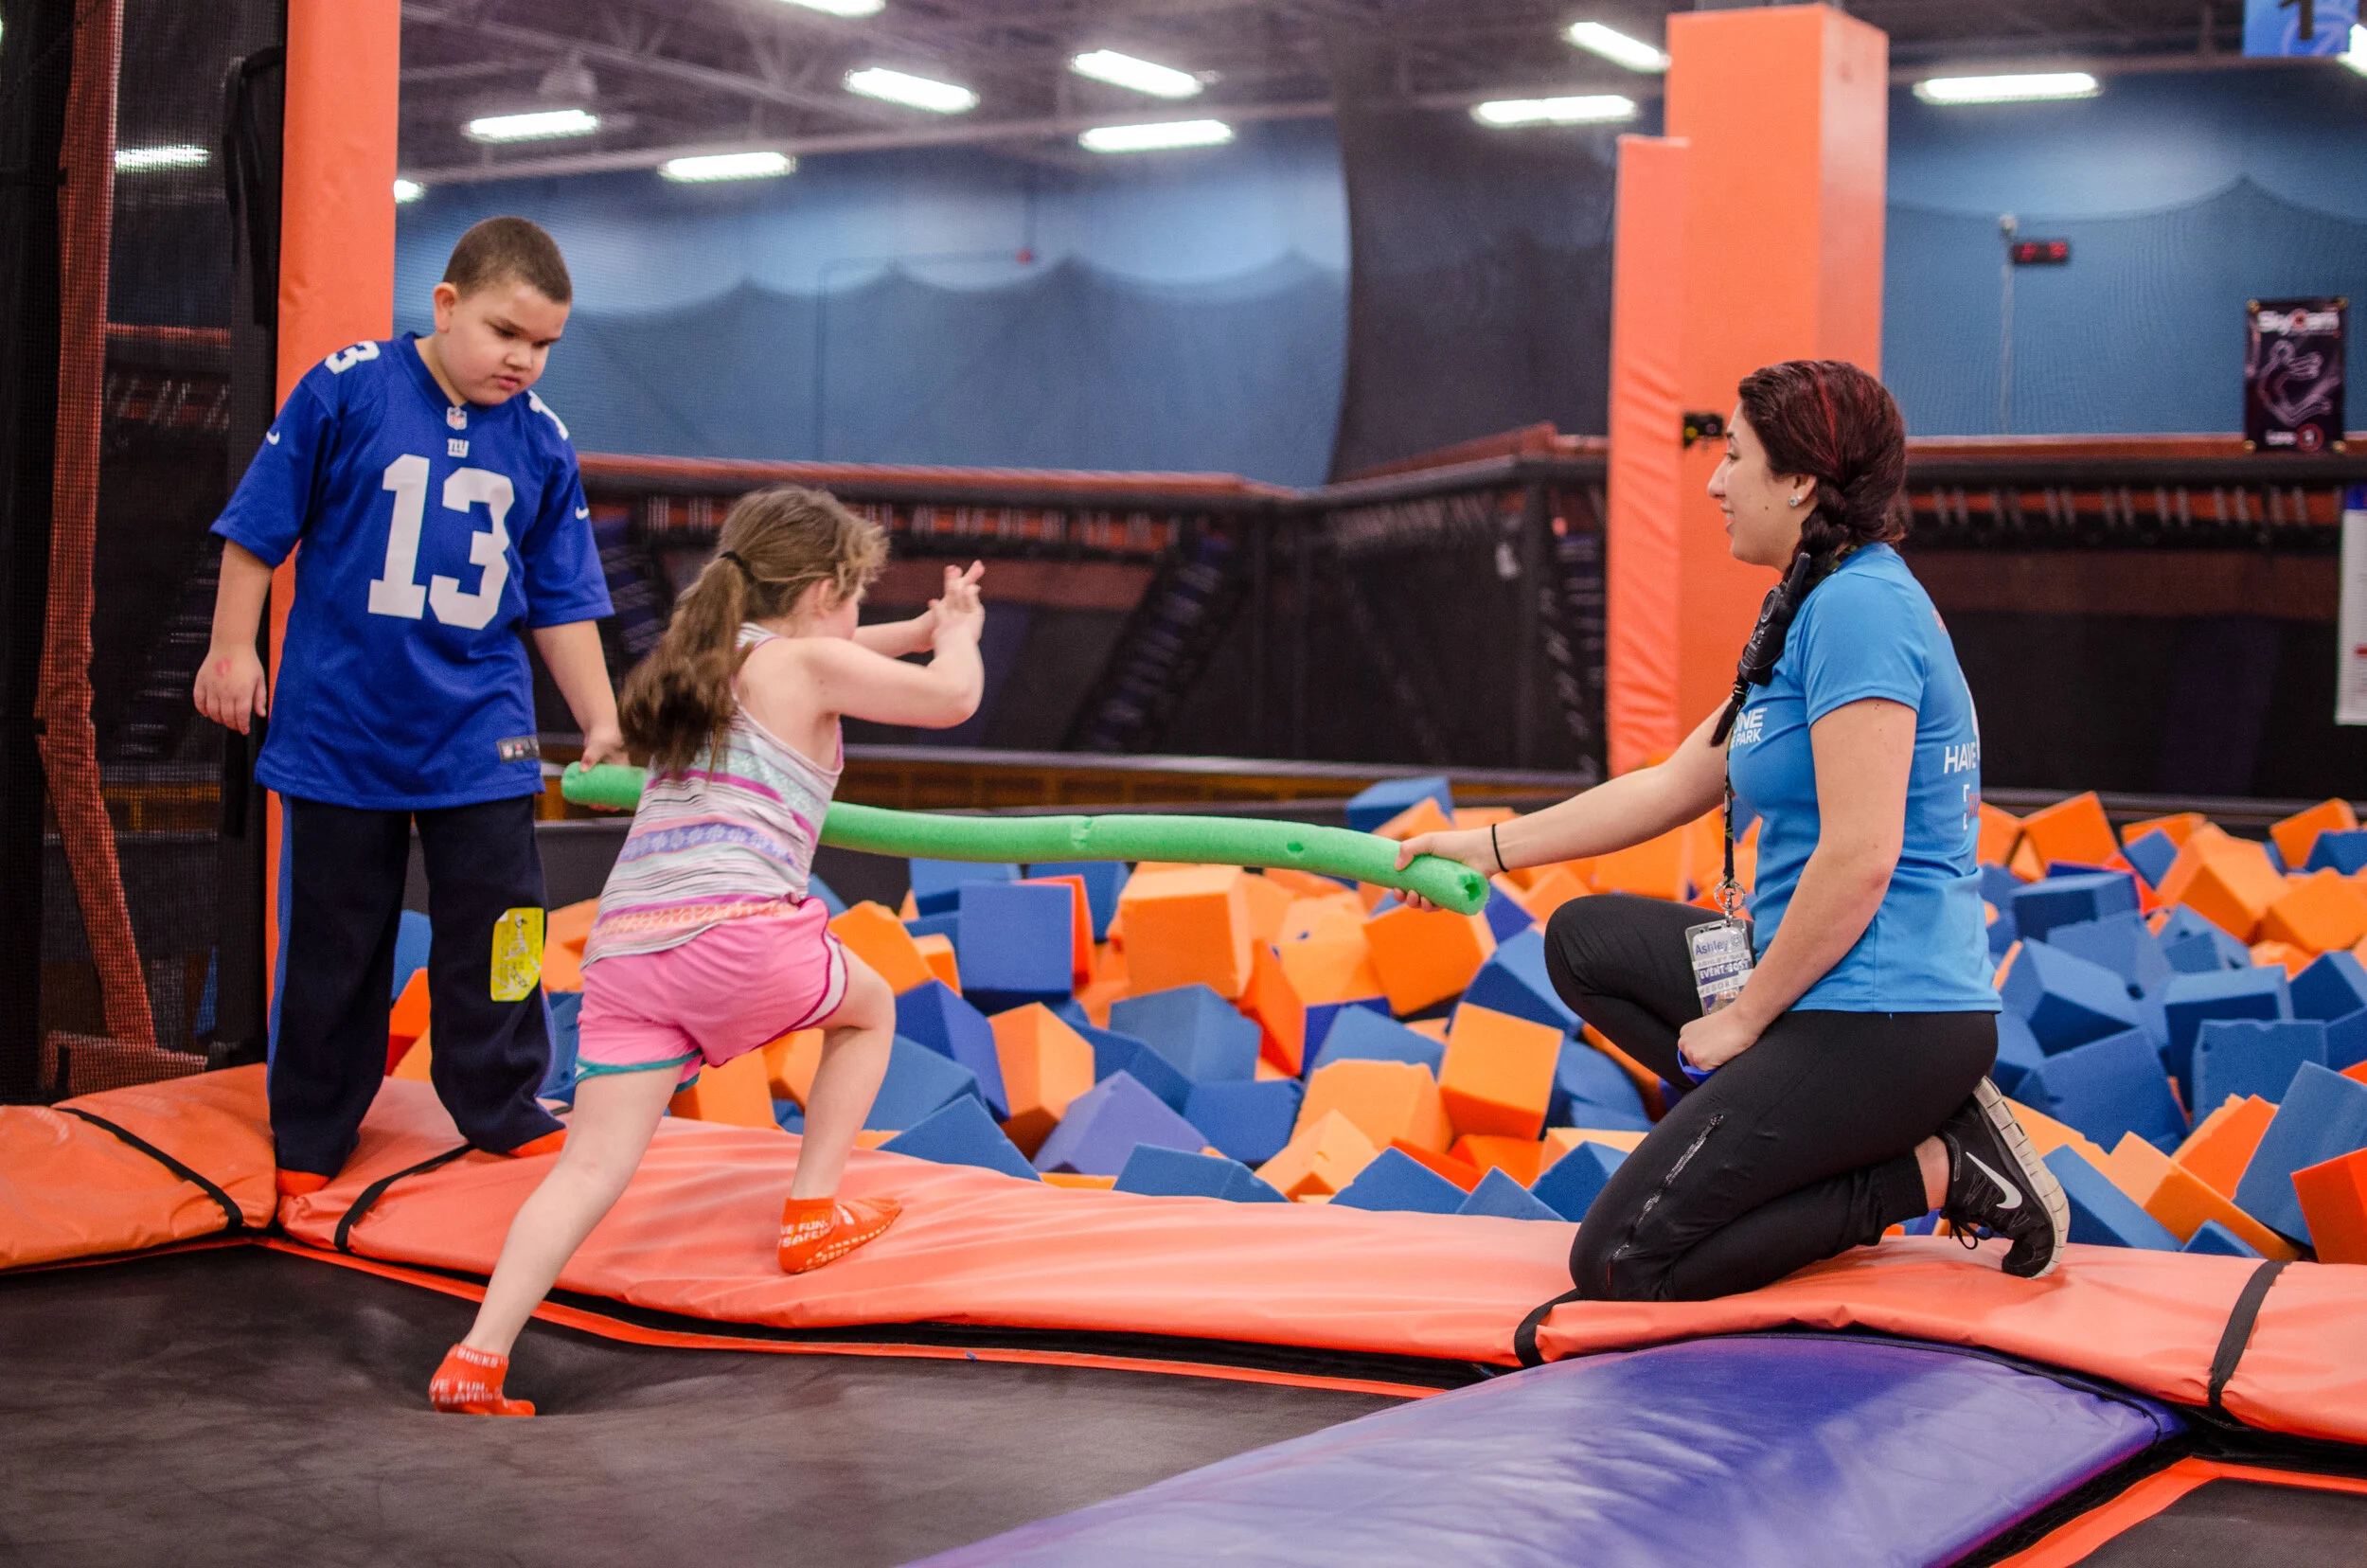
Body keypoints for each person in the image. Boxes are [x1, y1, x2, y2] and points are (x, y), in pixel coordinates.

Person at [1399, 359, 2066, 1302]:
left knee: (1620, 1259)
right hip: (1816, 981)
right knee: (1582, 942)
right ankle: (1787, 1139)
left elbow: (1861, 855)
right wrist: (1486, 846)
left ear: (1797, 481)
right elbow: (1675, 782)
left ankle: (1934, 1169)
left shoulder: (1861, 610)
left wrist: (1745, 1020)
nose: (1714, 483)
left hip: (1885, 1014)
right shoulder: (1810, 599)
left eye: (1734, 457)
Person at [429, 486, 987, 1416]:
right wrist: (959, 630)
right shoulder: (806, 669)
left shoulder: (713, 656)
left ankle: (478, 1356)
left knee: (591, 1168)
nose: (855, 618)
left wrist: (914, 624)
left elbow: (833, 651)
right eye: (855, 597)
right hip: (734, 931)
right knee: (871, 1007)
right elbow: (954, 698)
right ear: (819, 592)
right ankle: (812, 1212)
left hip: (626, 953)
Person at [197, 217, 622, 1196]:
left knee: (505, 925)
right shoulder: (348, 387)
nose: (524, 359)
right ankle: (311, 1126)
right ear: (445, 306)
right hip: (343, 724)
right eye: (505, 332)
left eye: (545, 344)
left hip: (482, 730)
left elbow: (561, 600)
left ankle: (506, 1099)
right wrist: (232, 647)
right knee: (336, 937)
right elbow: (259, 529)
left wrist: (599, 718)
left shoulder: (543, 441)